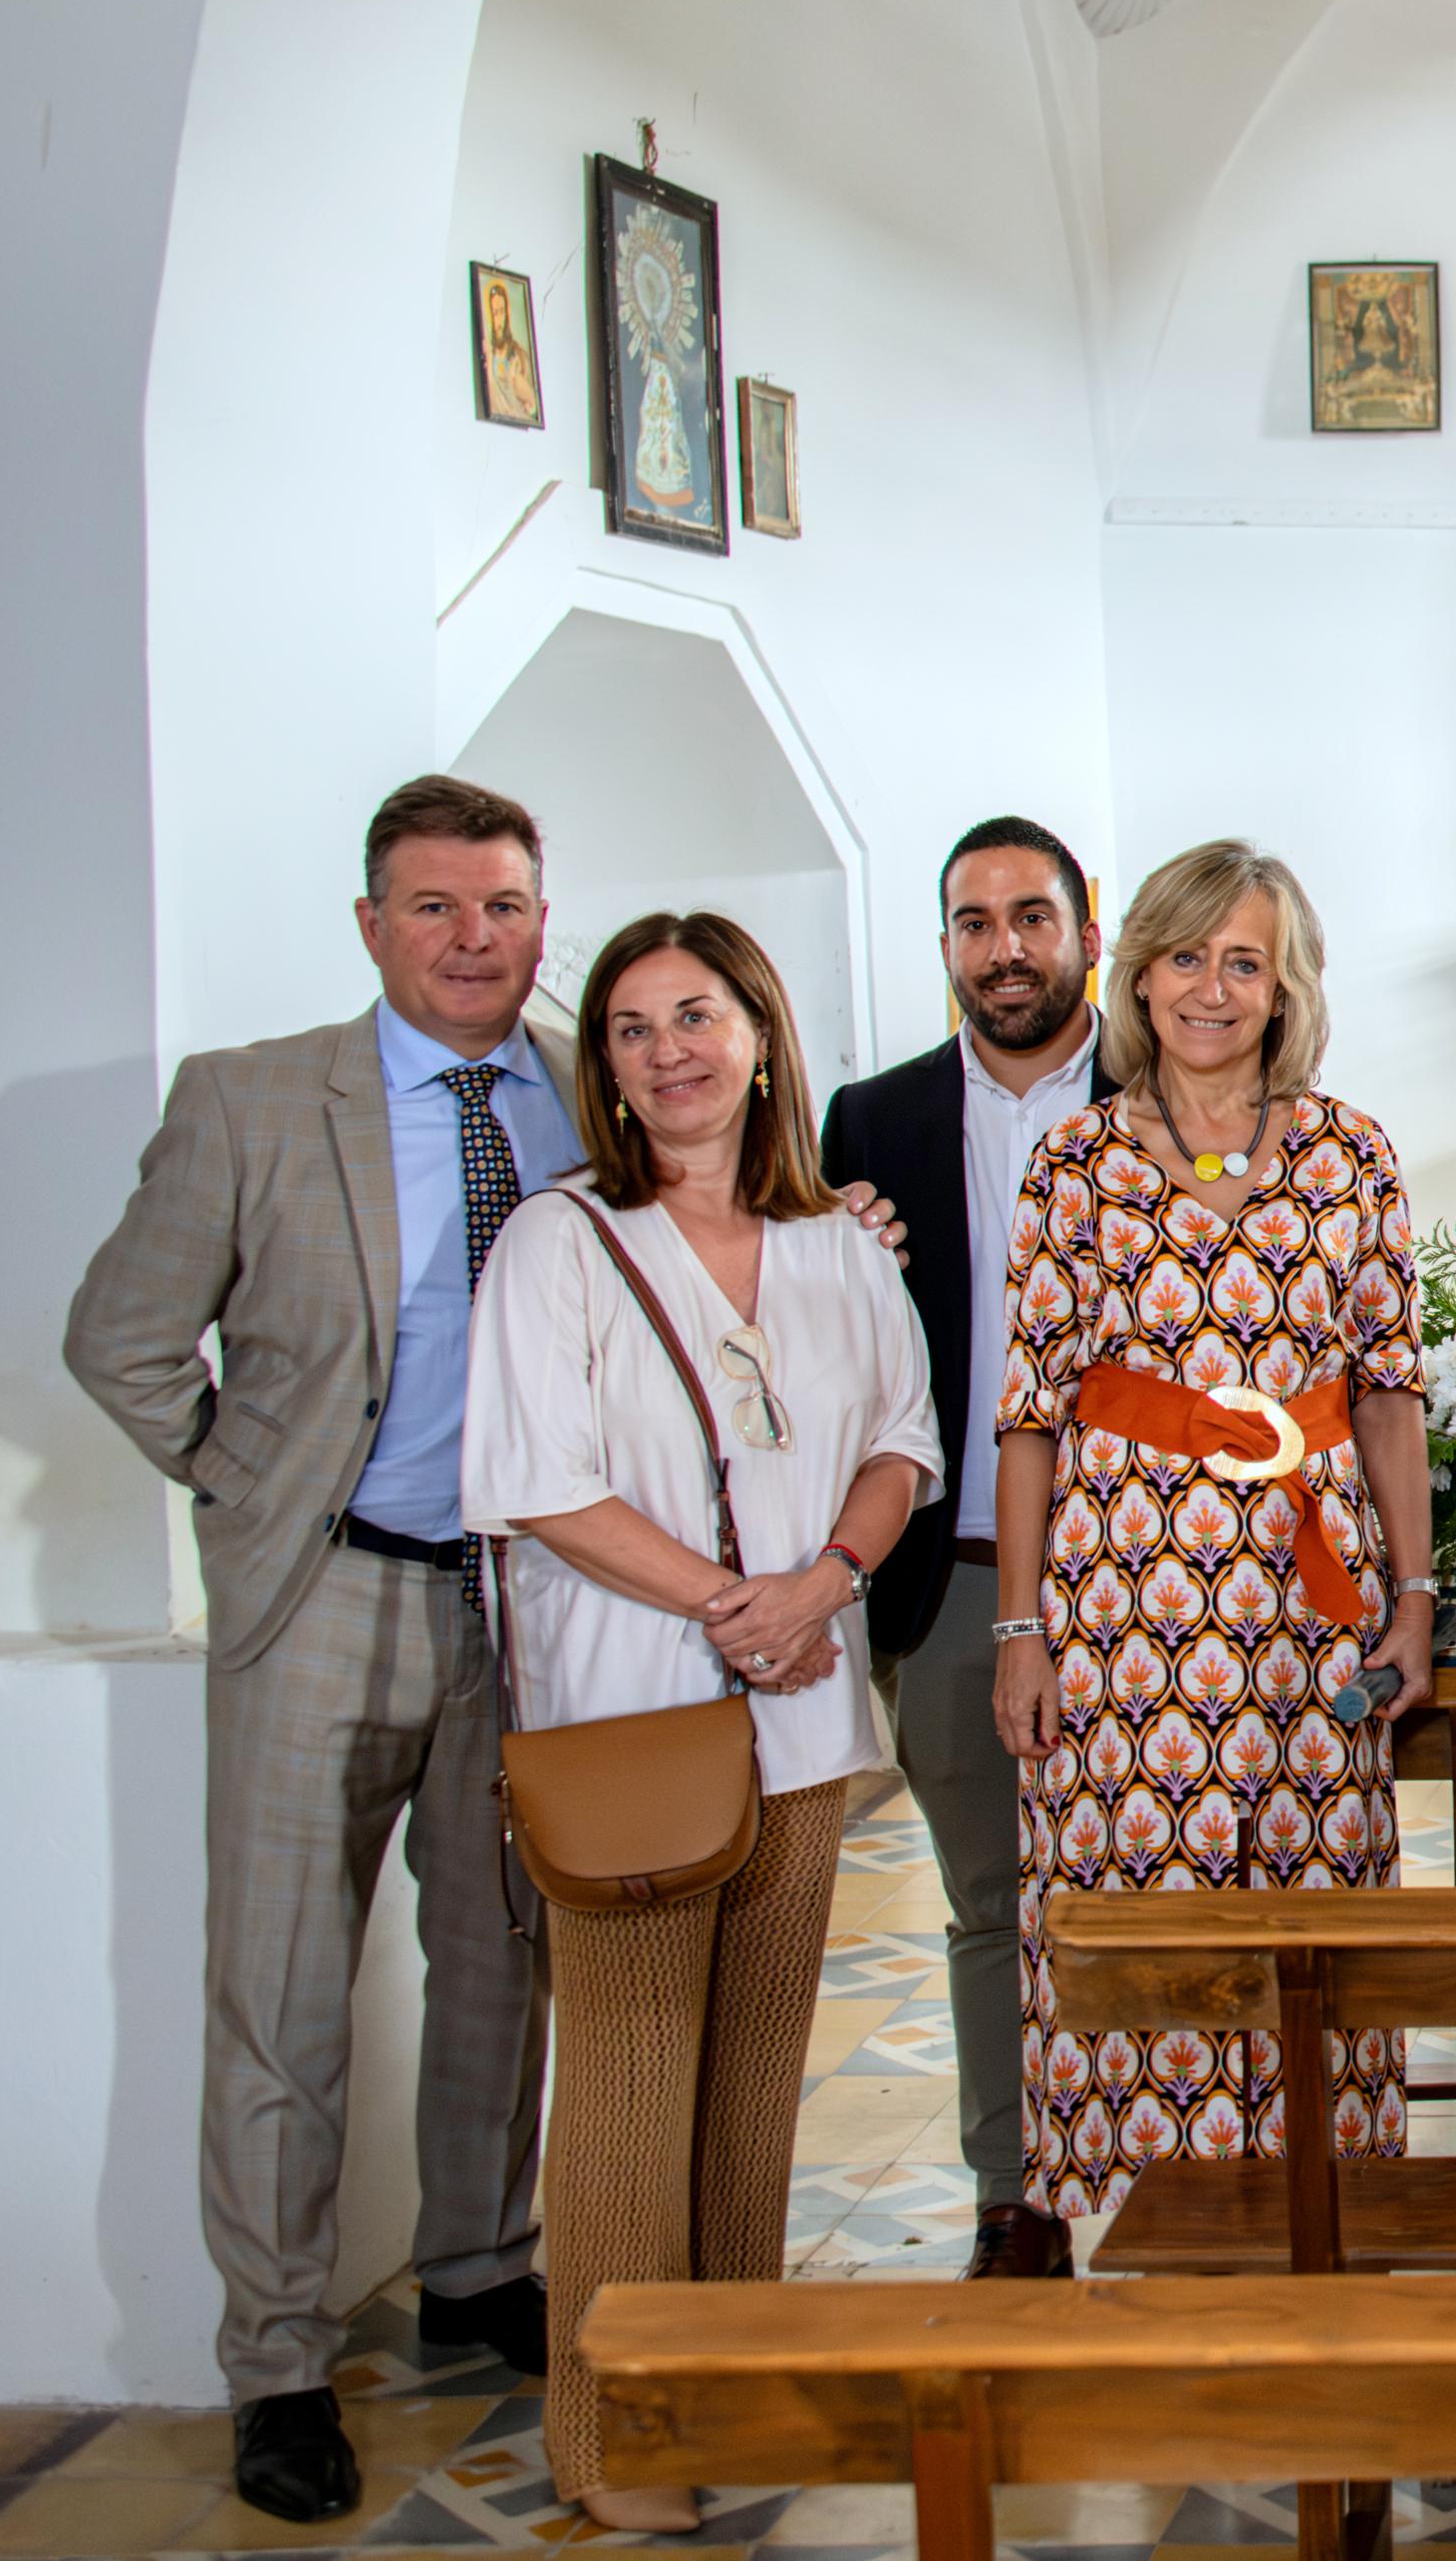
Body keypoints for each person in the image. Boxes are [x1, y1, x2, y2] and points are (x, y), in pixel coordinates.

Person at [64, 776, 570, 2526]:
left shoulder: (592, 1087)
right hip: (324, 1596)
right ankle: (276, 2361)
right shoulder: (254, 1100)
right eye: (431, 907)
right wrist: (244, 1487)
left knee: (503, 1968)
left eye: (499, 904)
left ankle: (477, 2266)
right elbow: (121, 1337)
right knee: (281, 2001)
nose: (469, 939)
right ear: (371, 924)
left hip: (522, 1606)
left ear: (540, 914)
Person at [461, 909, 938, 2535]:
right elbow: (538, 1485)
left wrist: (822, 1583)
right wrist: (735, 1603)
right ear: (604, 1065)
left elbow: (900, 1440)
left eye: (699, 1015)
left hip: (803, 1726)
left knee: (749, 2088)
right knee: (624, 2088)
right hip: (636, 1726)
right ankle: (612, 2441)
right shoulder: (558, 1243)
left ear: (758, 1034)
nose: (669, 1050)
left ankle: (728, 2383)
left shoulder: (834, 1247)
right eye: (631, 1026)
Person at [994, 841, 1438, 2218]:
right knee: (1136, 1907)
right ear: (1137, 973)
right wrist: (1018, 1631)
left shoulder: (1350, 1151)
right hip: (1123, 1607)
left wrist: (1415, 1595)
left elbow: (1386, 1394)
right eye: (1186, 955)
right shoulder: (1070, 1163)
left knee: (1313, 1914)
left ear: (1284, 984)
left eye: (1243, 958)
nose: (1211, 985)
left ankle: (1318, 2213)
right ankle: (1145, 2233)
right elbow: (1028, 1414)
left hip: (1310, 1601)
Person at [814, 816, 1117, 2279]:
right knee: (991, 1898)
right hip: (957, 1569)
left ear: (1087, 932)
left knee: (1151, 1889)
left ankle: (1191, 2166)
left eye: (1031, 916)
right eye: (973, 920)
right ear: (943, 945)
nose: (1004, 947)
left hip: (1148, 1563)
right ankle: (1016, 2191)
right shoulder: (866, 1123)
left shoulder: (1171, 1091)